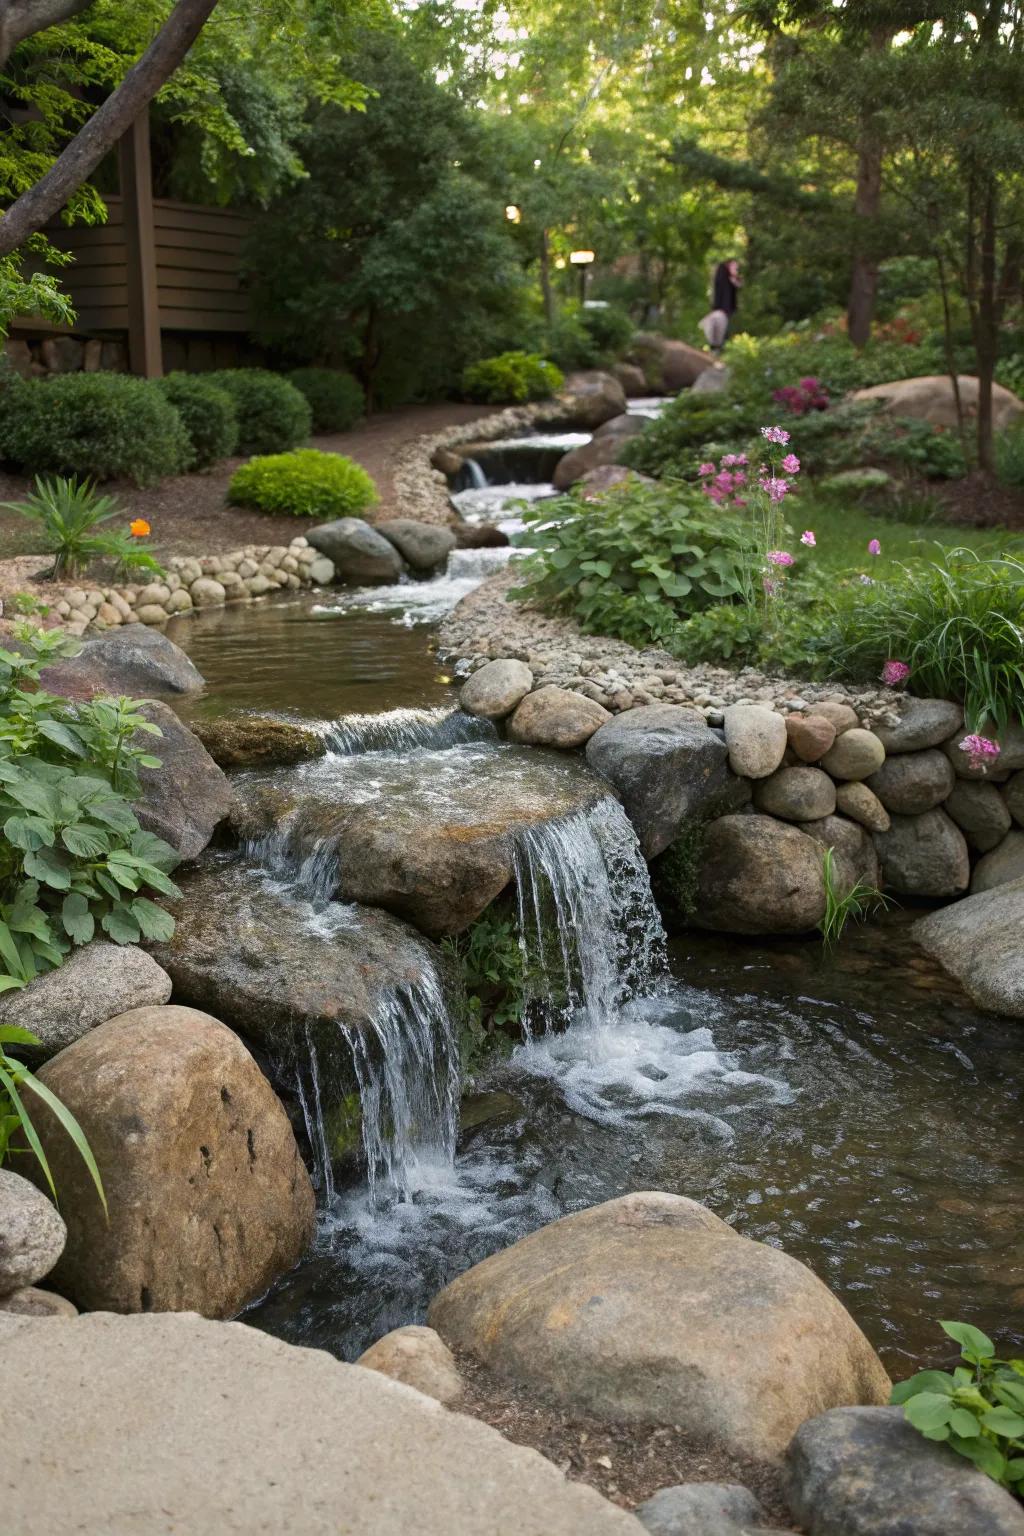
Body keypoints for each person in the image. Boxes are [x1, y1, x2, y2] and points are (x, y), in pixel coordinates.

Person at [699, 258, 741, 354]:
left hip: (725, 312)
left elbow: (738, 285)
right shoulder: (722, 277)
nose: (736, 269)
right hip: (721, 312)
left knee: (721, 338)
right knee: (718, 339)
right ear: (728, 266)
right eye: (734, 266)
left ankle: (717, 349)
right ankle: (715, 349)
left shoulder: (732, 280)